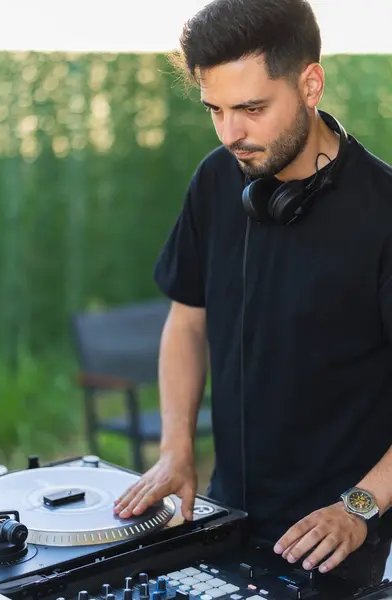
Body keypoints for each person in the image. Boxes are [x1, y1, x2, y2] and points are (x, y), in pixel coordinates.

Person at [114, 0, 392, 588]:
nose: (230, 133)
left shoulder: (383, 214)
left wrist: (359, 507)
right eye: (215, 109)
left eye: (251, 108)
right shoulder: (215, 182)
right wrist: (175, 450)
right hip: (227, 515)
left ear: (310, 83)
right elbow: (187, 322)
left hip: (339, 538)